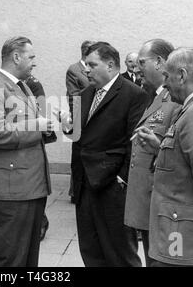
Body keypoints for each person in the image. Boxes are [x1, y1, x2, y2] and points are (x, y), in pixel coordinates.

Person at [136, 48, 193, 267]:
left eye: (167, 76)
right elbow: (189, 162)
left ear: (182, 75)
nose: (165, 83)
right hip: (191, 238)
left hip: (186, 242)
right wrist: (160, 149)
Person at [58, 42, 147, 267]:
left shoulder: (133, 94)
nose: (86, 69)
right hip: (85, 185)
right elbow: (79, 134)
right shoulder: (86, 92)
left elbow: (135, 143)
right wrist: (68, 126)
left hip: (113, 187)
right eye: (85, 64)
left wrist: (122, 179)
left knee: (119, 253)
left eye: (91, 64)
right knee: (91, 250)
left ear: (110, 65)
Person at [0, 36, 53, 267]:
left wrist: (49, 123)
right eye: (31, 57)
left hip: (29, 184)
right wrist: (37, 125)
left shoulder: (23, 86)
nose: (34, 63)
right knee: (8, 257)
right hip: (11, 188)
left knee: (28, 255)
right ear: (16, 57)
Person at [123, 39, 180, 266]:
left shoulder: (174, 99)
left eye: (142, 62)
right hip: (147, 200)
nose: (136, 68)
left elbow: (176, 150)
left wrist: (157, 143)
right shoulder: (154, 95)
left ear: (159, 63)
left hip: (159, 201)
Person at [25, 74, 57, 241]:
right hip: (23, 138)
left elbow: (42, 108)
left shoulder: (32, 83)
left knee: (36, 184)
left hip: (33, 136)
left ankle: (41, 223)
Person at [65, 40, 94, 204]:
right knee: (78, 155)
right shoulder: (74, 70)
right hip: (80, 116)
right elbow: (73, 96)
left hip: (92, 116)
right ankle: (75, 191)